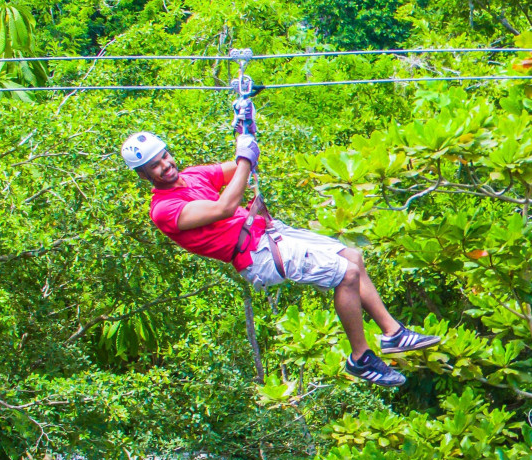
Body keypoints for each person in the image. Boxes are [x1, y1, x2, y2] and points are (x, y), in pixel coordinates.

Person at [121, 130, 441, 387]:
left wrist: (245, 134)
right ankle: (361, 358)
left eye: (164, 156)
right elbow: (225, 207)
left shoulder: (192, 177)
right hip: (256, 255)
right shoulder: (164, 210)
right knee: (345, 273)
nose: (165, 165)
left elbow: (241, 166)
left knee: (352, 257)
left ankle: (393, 334)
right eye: (155, 165)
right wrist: (245, 155)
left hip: (270, 233)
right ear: (144, 175)